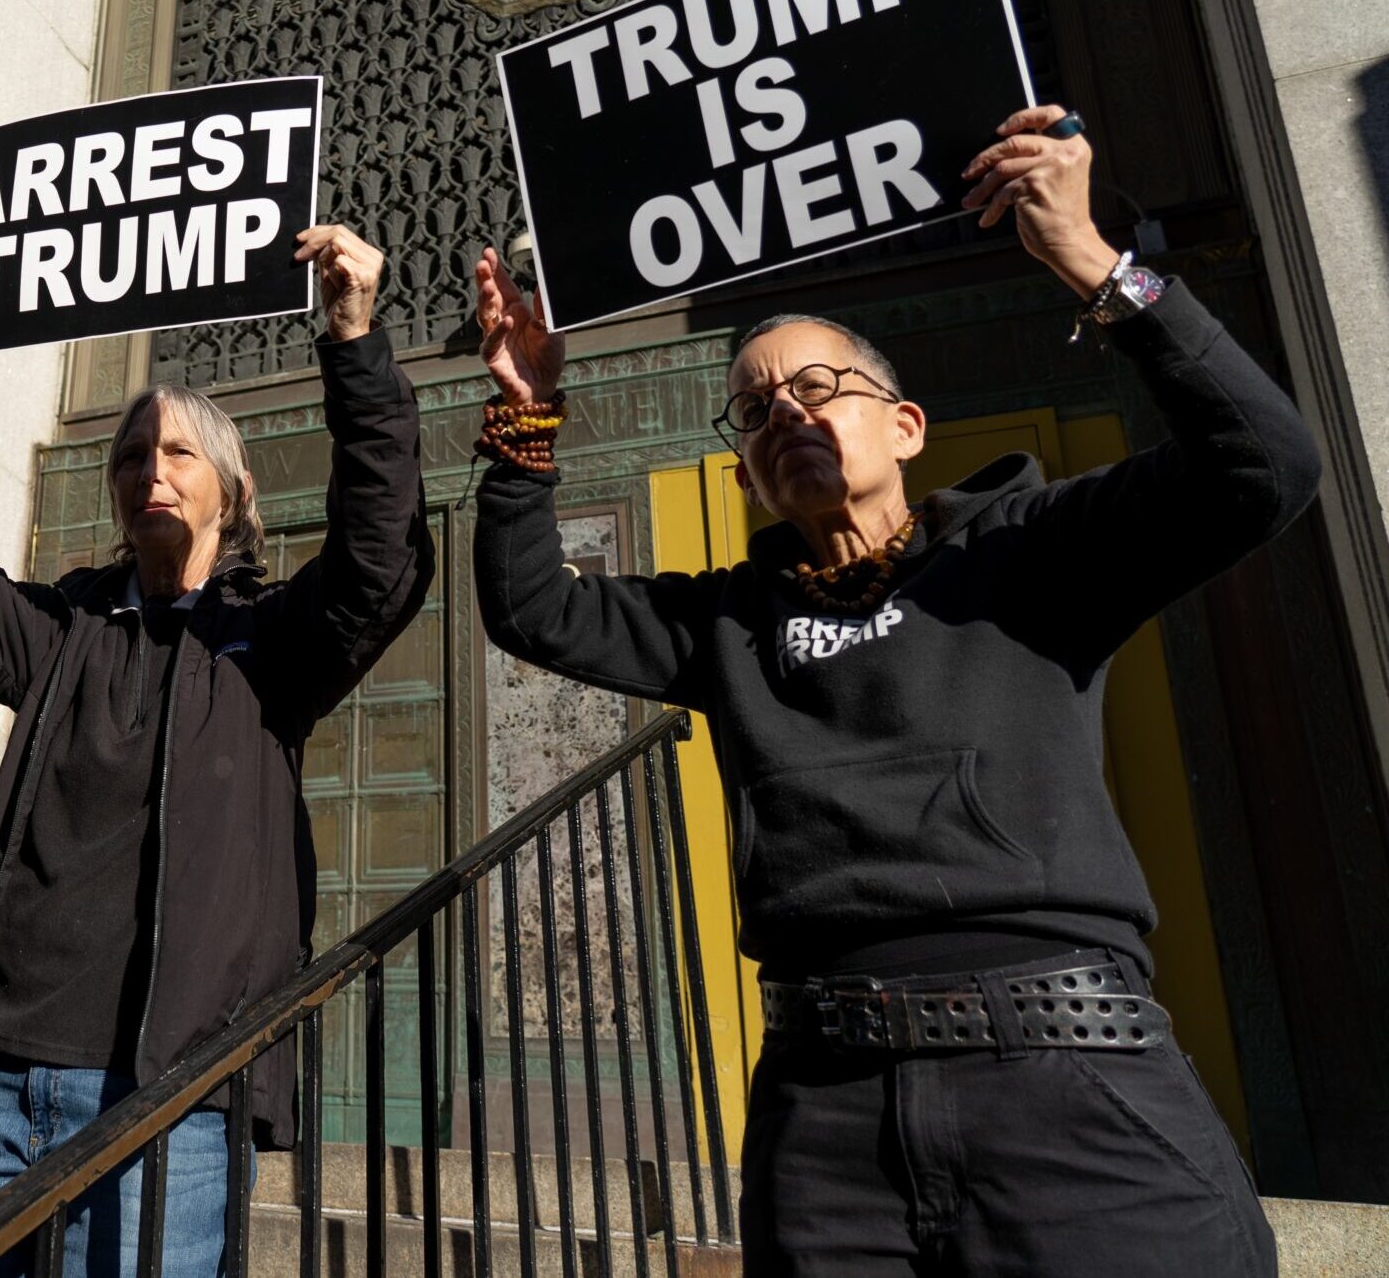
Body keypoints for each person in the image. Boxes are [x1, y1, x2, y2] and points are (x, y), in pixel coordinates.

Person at [469, 105, 1316, 1277]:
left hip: (1068, 1090)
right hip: (828, 1124)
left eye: (817, 384)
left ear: (904, 424)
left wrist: (1088, 260)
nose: (787, 414)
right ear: (750, 472)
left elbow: (1262, 466)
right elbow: (534, 607)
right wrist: (523, 411)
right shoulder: (725, 621)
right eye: (756, 411)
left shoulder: (1028, 551)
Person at [0, 226, 434, 1277]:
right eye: (128, 457)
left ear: (230, 489)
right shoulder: (61, 632)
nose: (146, 472)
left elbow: (381, 563)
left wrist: (352, 341)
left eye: (175, 453)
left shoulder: (271, 647)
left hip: (167, 1097)